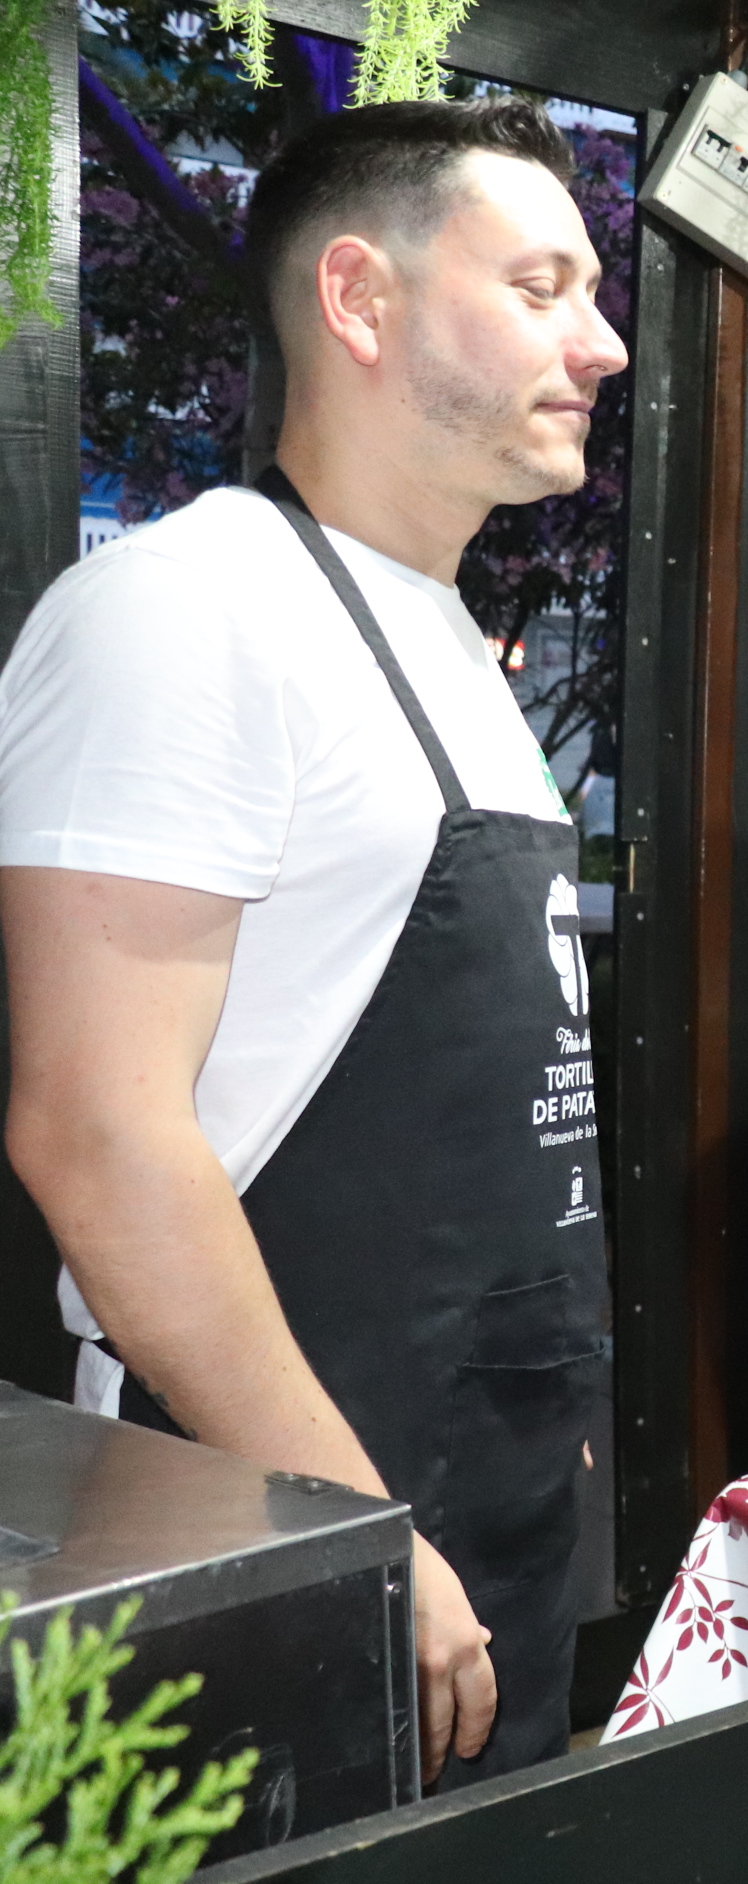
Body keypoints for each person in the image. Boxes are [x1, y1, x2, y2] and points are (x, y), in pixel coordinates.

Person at [0, 101, 628, 1787]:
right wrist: (350, 1527)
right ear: (359, 299)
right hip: (273, 1519)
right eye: (543, 287)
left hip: (488, 1493)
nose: (604, 343)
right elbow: (99, 1132)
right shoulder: (184, 612)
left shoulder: (449, 643)